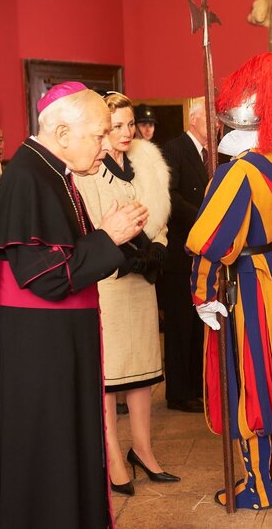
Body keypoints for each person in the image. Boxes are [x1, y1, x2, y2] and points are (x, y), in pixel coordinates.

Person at [0, 82, 148, 528]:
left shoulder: (54, 172)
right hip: (37, 346)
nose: (106, 145)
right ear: (64, 132)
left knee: (65, 450)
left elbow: (68, 257)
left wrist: (117, 240)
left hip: (55, 342)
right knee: (44, 457)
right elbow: (47, 278)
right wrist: (108, 237)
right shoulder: (28, 176)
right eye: (99, 134)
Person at [187, 52, 272, 511]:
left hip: (247, 284)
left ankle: (260, 487)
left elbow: (210, 244)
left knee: (252, 381)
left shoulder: (236, 172)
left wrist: (201, 293)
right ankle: (270, 476)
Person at [76, 92, 178, 497]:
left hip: (142, 281)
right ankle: (113, 456)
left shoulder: (146, 162)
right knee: (110, 373)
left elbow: (159, 215)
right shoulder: (87, 169)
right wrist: (128, 252)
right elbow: (92, 227)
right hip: (109, 280)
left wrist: (158, 248)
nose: (125, 132)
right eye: (116, 125)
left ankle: (144, 450)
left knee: (143, 370)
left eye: (130, 123)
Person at [161, 97, 209, 413]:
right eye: (209, 117)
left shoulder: (214, 153)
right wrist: (204, 217)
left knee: (198, 323)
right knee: (180, 323)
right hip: (180, 250)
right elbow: (170, 196)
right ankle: (179, 392)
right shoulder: (175, 149)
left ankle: (197, 386)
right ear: (193, 119)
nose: (215, 124)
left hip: (204, 249)